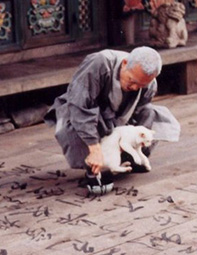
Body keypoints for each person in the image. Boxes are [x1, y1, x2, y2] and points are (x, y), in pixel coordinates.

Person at [45, 46, 181, 193]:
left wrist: (127, 139)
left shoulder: (150, 84)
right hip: (86, 112)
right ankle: (94, 168)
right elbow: (80, 106)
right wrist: (94, 148)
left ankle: (128, 159)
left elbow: (139, 112)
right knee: (79, 126)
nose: (135, 88)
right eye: (132, 81)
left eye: (141, 85)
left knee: (149, 113)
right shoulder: (99, 63)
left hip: (118, 119)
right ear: (124, 63)